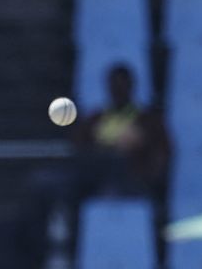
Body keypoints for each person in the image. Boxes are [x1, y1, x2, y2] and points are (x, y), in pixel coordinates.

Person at [72, 63, 171, 200]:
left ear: (131, 87)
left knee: (117, 160)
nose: (118, 90)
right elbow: (79, 148)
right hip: (97, 180)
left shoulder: (148, 120)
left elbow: (162, 154)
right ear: (108, 87)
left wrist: (140, 144)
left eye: (123, 86)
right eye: (114, 86)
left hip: (134, 179)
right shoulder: (95, 119)